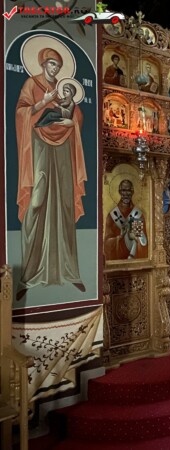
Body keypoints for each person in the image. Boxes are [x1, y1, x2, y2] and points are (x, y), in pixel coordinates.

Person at [15, 47, 88, 301]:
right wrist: (43, 101)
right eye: (51, 63)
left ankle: (70, 271)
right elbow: (21, 112)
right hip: (39, 145)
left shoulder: (64, 88)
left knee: (65, 203)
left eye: (57, 65)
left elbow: (77, 116)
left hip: (63, 147)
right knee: (37, 201)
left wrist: (72, 122)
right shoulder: (31, 84)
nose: (54, 68)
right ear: (43, 64)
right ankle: (28, 274)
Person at [104, 179, 148, 261]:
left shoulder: (136, 214)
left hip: (133, 260)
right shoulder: (112, 215)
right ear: (120, 192)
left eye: (129, 190)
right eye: (124, 190)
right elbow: (106, 244)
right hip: (117, 260)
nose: (126, 194)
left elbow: (141, 242)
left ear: (132, 192)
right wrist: (119, 237)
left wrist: (135, 237)